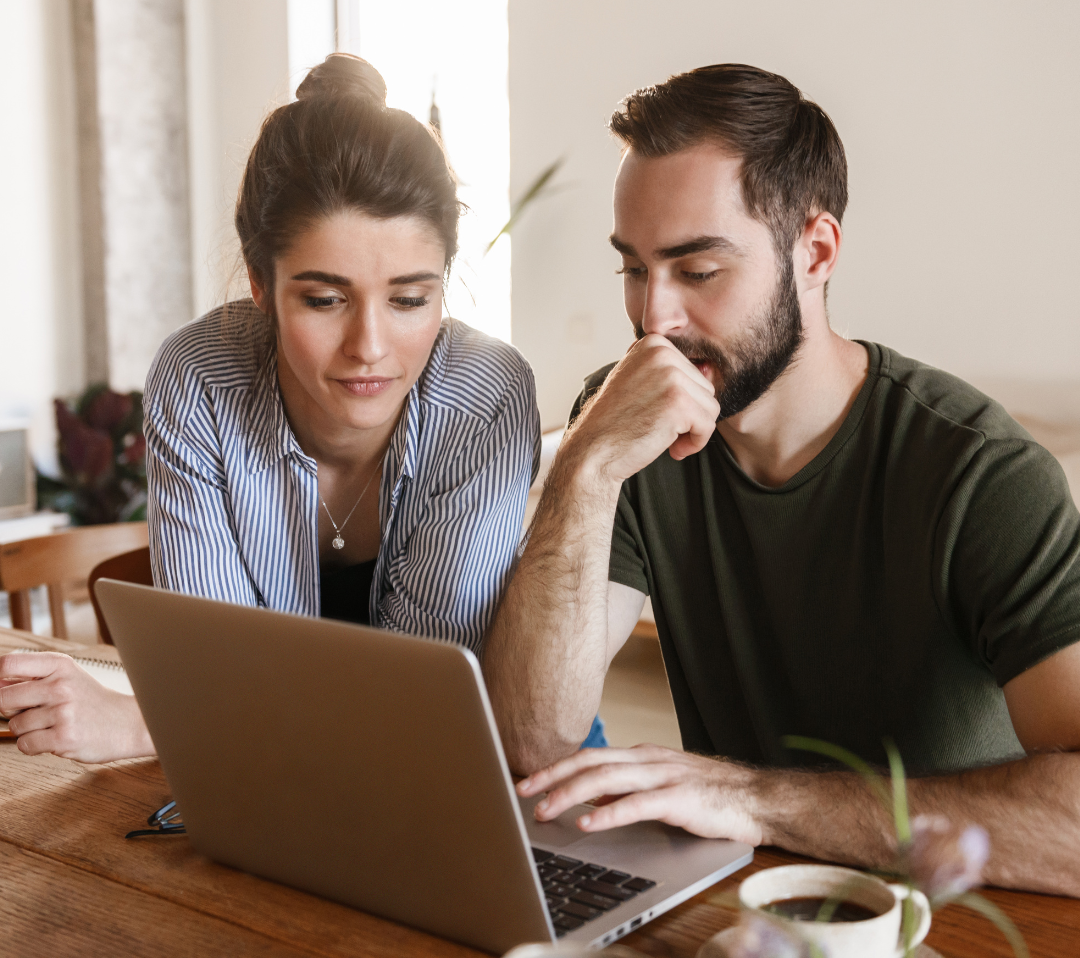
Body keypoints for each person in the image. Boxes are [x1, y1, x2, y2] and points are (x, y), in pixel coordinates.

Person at [483, 63, 1080, 896]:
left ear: (816, 251)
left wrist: (758, 800)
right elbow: (533, 740)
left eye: (698, 271)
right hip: (736, 909)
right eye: (633, 268)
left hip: (948, 919)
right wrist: (583, 467)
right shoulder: (625, 429)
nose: (654, 320)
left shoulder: (981, 474)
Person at [0, 54, 592, 762]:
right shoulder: (201, 379)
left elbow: (420, 708)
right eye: (324, 299)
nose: (369, 347)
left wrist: (143, 726)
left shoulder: (485, 396)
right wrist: (195, 710)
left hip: (481, 772)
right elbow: (213, 668)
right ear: (258, 281)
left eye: (410, 299)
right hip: (283, 779)